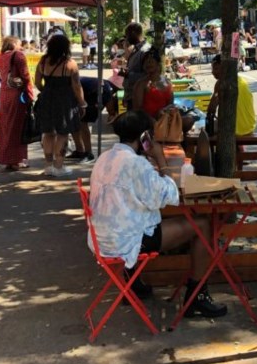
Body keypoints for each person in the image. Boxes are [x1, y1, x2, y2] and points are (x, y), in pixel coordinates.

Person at [87, 110, 227, 317]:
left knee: (146, 219)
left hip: (101, 238)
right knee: (202, 224)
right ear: (144, 137)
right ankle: (197, 295)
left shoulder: (104, 158)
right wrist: (161, 161)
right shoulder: (136, 164)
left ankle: (134, 284)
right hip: (127, 241)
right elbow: (168, 196)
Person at [34, 33, 87, 177]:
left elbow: (37, 82)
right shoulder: (70, 63)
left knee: (48, 132)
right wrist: (82, 103)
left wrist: (45, 92)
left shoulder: (43, 61)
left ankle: (48, 166)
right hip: (65, 101)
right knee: (63, 133)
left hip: (46, 99)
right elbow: (76, 86)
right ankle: (59, 166)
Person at [0, 36, 32, 171]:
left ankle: (7, 159)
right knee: (18, 126)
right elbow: (26, 76)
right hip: (17, 94)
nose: (21, 46)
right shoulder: (18, 56)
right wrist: (29, 93)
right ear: (13, 44)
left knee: (6, 126)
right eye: (18, 43)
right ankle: (17, 159)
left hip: (4, 93)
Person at [206, 55, 256, 136]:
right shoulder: (241, 81)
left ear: (224, 69)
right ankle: (238, 147)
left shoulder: (221, 84)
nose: (212, 72)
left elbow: (211, 110)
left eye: (215, 68)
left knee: (206, 130)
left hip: (234, 130)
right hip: (250, 126)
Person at [69, 76, 99, 163]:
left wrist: (82, 104)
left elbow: (78, 89)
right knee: (74, 122)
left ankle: (89, 153)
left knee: (82, 123)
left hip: (93, 92)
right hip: (84, 92)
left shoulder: (70, 80)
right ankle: (79, 150)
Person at [121, 22, 150, 109]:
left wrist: (128, 74)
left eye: (127, 35)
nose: (126, 39)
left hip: (140, 99)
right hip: (132, 97)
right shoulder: (136, 50)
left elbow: (149, 75)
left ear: (133, 33)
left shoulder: (145, 51)